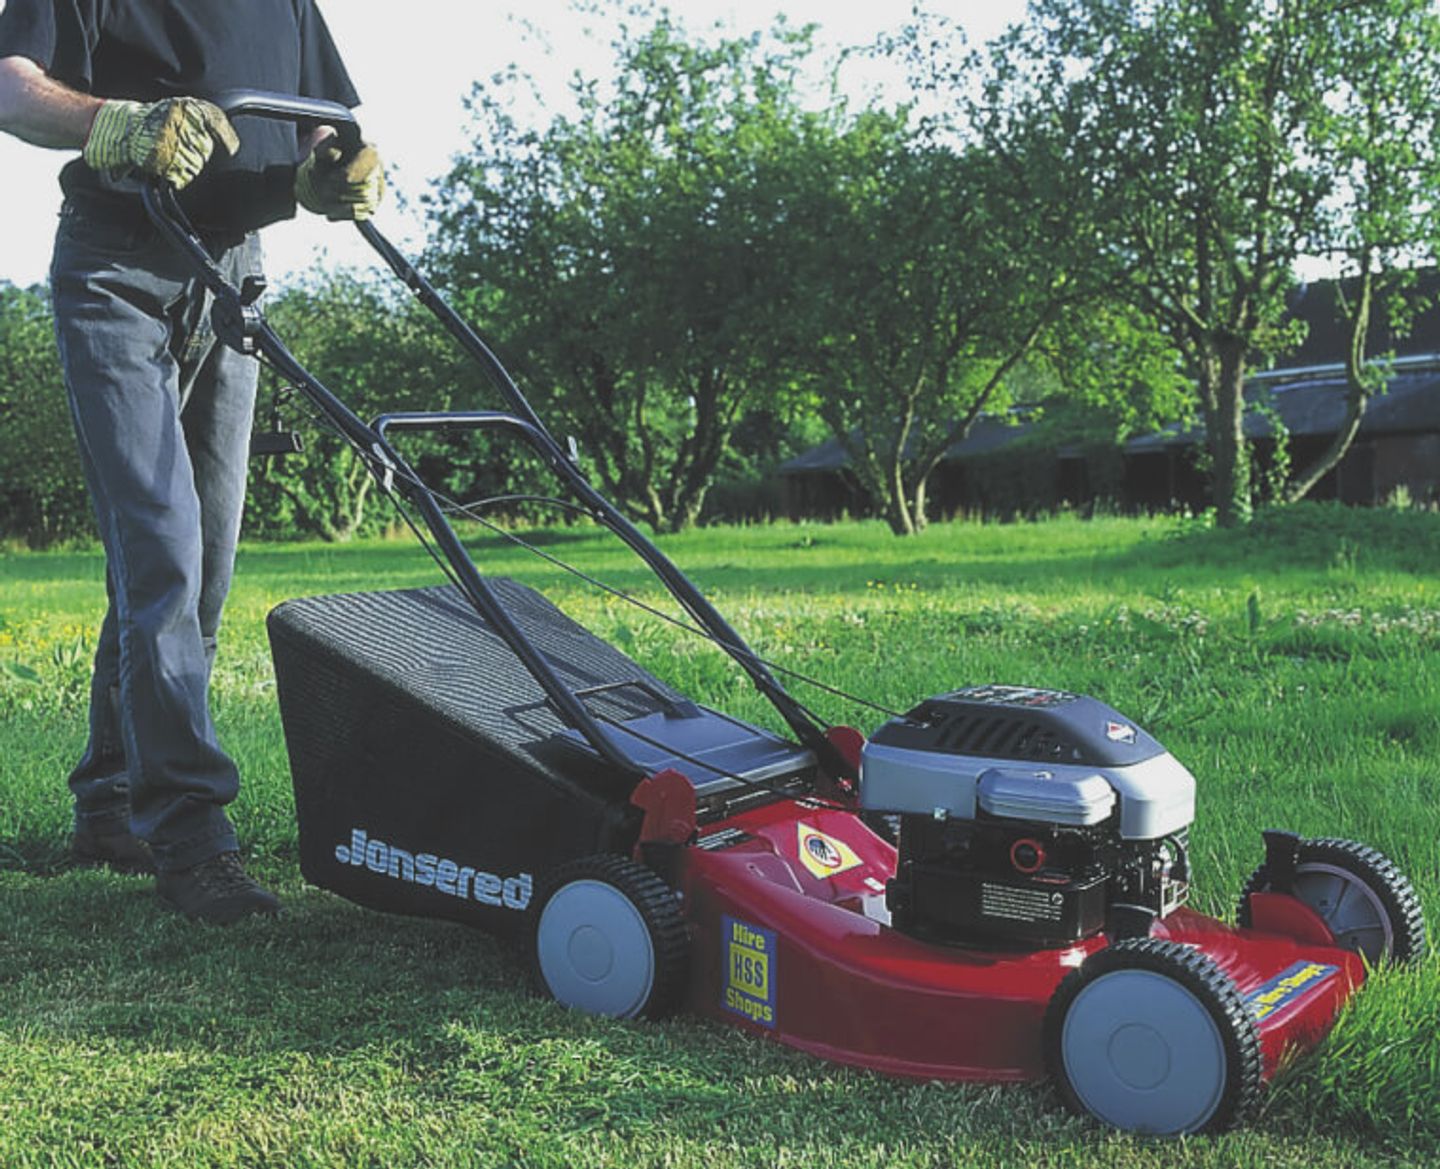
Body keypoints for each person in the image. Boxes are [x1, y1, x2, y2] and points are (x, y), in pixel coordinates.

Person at [0, 0, 384, 924]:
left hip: (233, 281)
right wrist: (114, 124)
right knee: (162, 550)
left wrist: (332, 169)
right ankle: (190, 833)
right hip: (117, 272)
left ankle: (108, 799)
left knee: (197, 566)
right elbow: (11, 88)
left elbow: (318, 119)